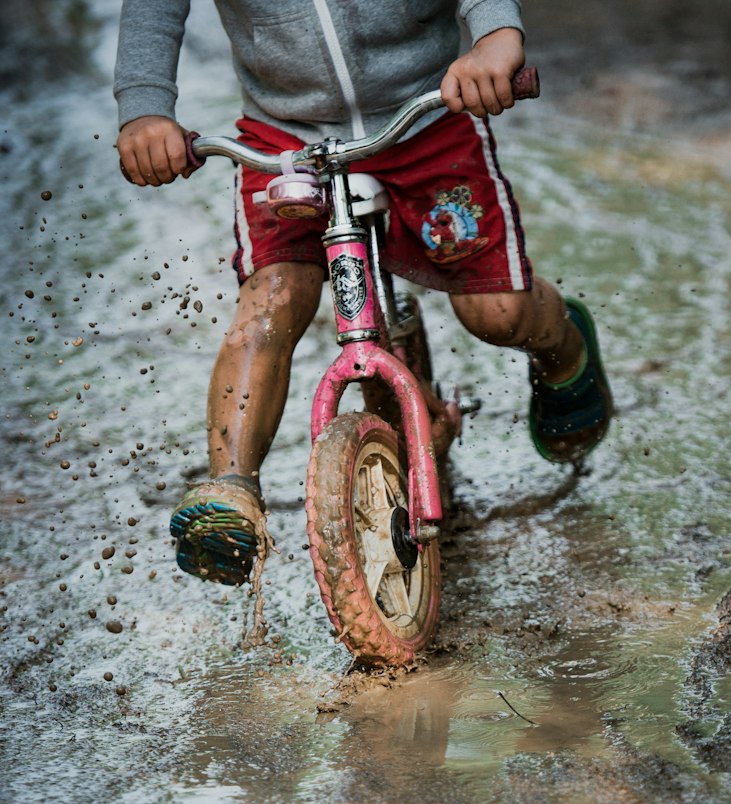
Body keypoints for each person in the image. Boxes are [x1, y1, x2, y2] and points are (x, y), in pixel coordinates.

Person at [115, 0, 613, 586]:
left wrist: (495, 36)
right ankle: (231, 490)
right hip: (285, 141)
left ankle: (565, 348)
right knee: (271, 304)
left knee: (498, 313)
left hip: (426, 116)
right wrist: (145, 110)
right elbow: (154, 10)